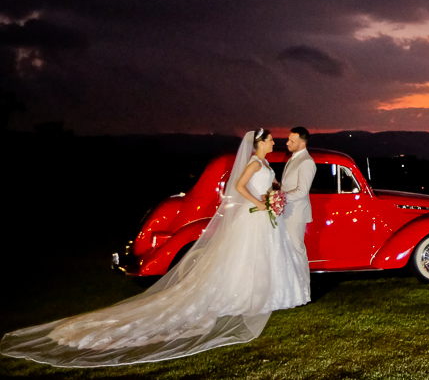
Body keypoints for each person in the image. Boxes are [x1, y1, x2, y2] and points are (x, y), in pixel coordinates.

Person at [0, 129, 309, 367]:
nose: (274, 143)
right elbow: (240, 188)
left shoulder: (264, 164)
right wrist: (260, 203)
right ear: (259, 143)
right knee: (246, 258)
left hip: (264, 216)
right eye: (270, 140)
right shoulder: (255, 164)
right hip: (254, 216)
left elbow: (264, 186)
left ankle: (266, 294)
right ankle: (245, 296)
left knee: (262, 258)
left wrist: (274, 195)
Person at [280, 126, 316, 298]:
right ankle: (291, 290)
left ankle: (303, 292)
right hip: (286, 212)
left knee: (297, 251)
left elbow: (302, 192)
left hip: (295, 214)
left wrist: (280, 198)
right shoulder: (293, 159)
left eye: (291, 141)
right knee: (288, 251)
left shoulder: (307, 162)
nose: (287, 143)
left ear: (302, 142)